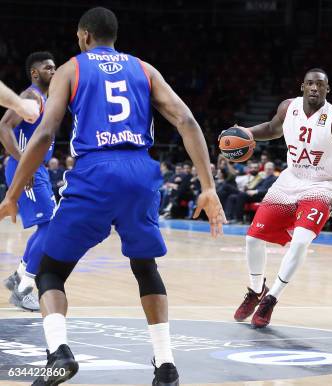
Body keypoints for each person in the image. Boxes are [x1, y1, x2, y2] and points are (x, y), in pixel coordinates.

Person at [0, 7, 225, 385]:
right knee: (145, 267)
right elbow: (186, 121)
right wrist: (208, 186)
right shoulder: (144, 69)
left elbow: (42, 135)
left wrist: (13, 191)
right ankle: (166, 366)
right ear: (113, 36)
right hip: (141, 171)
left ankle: (59, 354)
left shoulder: (71, 69)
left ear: (84, 35)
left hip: (96, 172)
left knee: (51, 271)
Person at [231, 68, 332, 328]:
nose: (314, 88)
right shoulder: (288, 107)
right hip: (290, 179)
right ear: (302, 87)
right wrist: (246, 133)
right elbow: (272, 129)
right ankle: (255, 288)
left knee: (300, 241)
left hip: (322, 186)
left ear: (328, 89)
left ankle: (271, 298)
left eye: (320, 84)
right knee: (252, 239)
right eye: (310, 84)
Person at [0, 51, 57, 312]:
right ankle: (23, 288)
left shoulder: (46, 98)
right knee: (51, 228)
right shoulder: (30, 96)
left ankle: (19, 276)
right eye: (48, 68)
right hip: (27, 169)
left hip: (35, 168)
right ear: (35, 73)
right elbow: (3, 126)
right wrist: (25, 161)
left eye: (55, 67)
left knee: (49, 225)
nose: (53, 71)